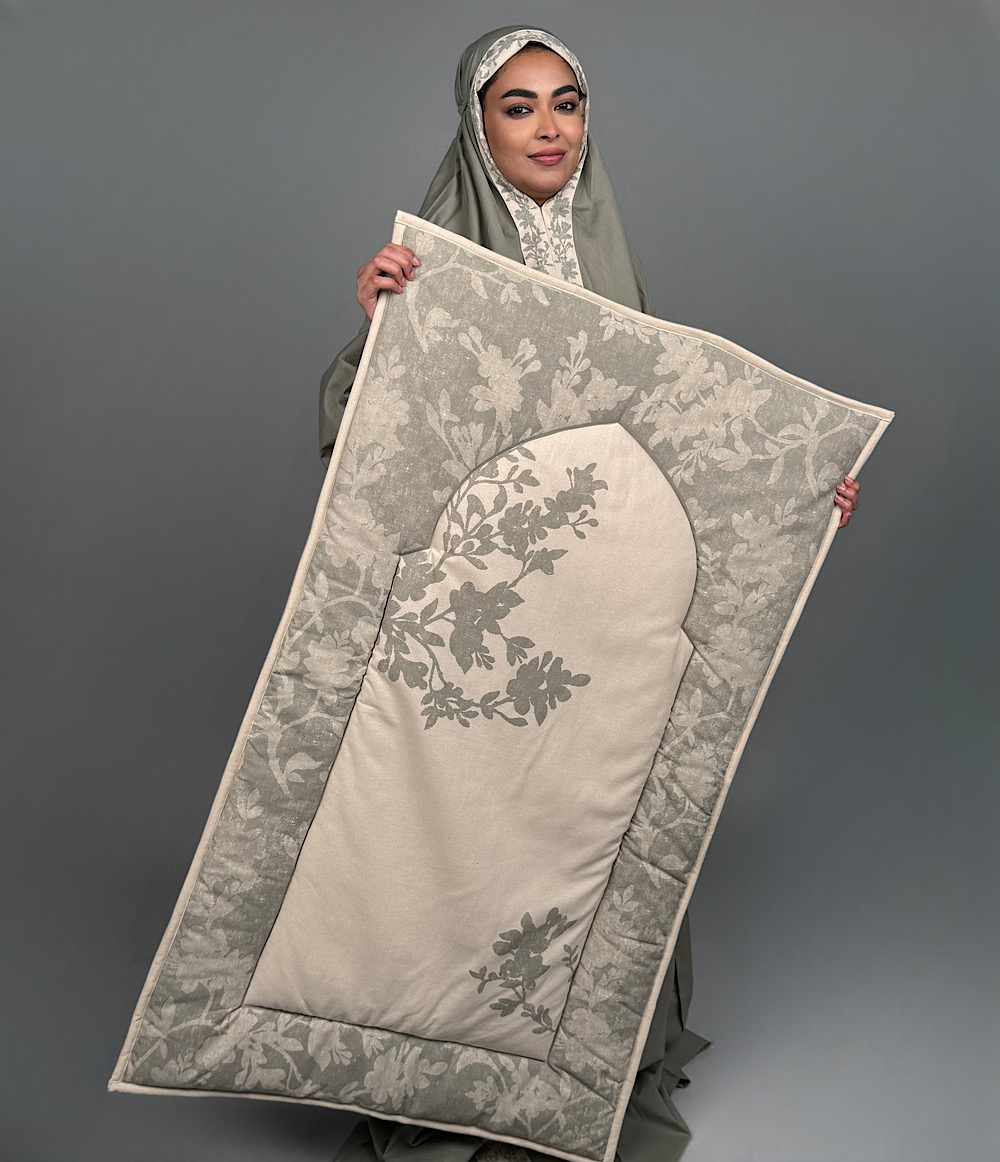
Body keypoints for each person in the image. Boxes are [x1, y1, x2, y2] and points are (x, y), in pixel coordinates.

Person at [318, 25, 860, 1162]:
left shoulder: (611, 267)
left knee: (590, 825)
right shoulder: (430, 270)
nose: (548, 127)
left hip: (599, 620)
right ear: (477, 127)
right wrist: (380, 333)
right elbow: (369, 452)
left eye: (565, 102)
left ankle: (586, 1072)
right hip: (489, 627)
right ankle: (454, 1083)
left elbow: (667, 445)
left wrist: (798, 493)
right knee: (476, 842)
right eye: (517, 107)